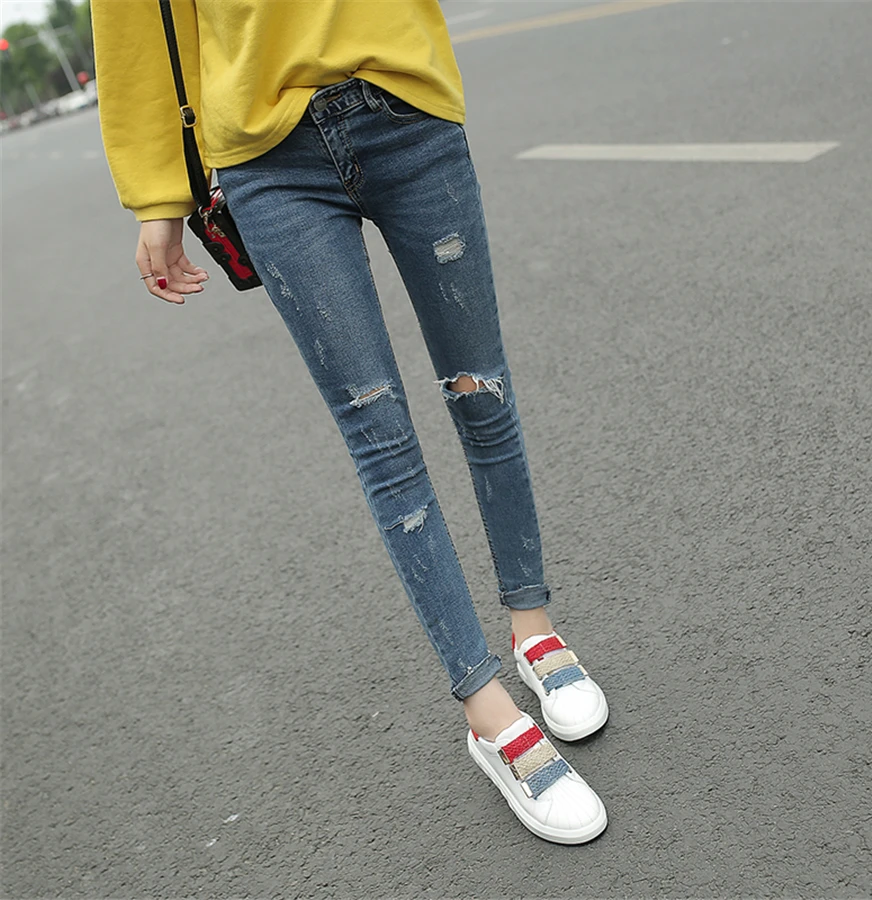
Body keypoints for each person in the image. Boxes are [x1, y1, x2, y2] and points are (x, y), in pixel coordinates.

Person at [93, 0, 609, 844]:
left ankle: (534, 630)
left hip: (403, 98)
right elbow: (131, 23)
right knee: (383, 442)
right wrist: (157, 192)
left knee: (482, 393)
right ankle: (488, 712)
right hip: (267, 155)